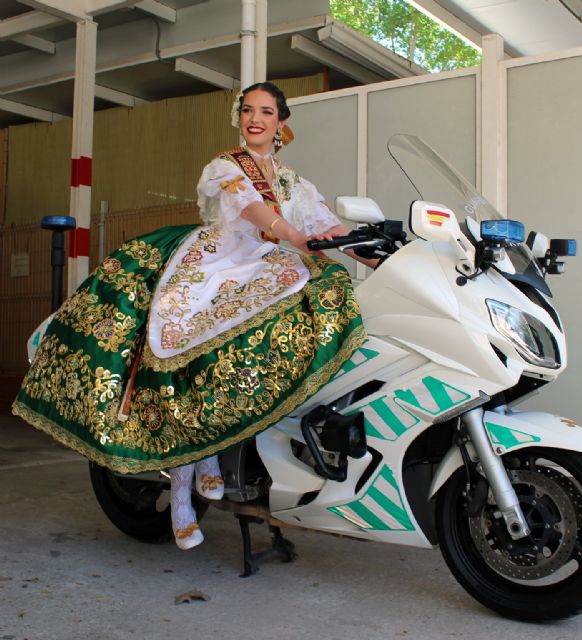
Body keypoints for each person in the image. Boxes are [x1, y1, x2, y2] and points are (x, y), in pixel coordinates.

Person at [13, 82, 372, 550]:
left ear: (281, 123)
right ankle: (181, 493)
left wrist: (385, 255)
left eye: (266, 111)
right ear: (239, 117)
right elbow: (250, 207)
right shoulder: (224, 166)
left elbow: (329, 226)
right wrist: (292, 235)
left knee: (304, 312)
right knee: (181, 348)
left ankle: (235, 451)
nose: (255, 118)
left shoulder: (295, 184)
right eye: (247, 110)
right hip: (216, 262)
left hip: (270, 269)